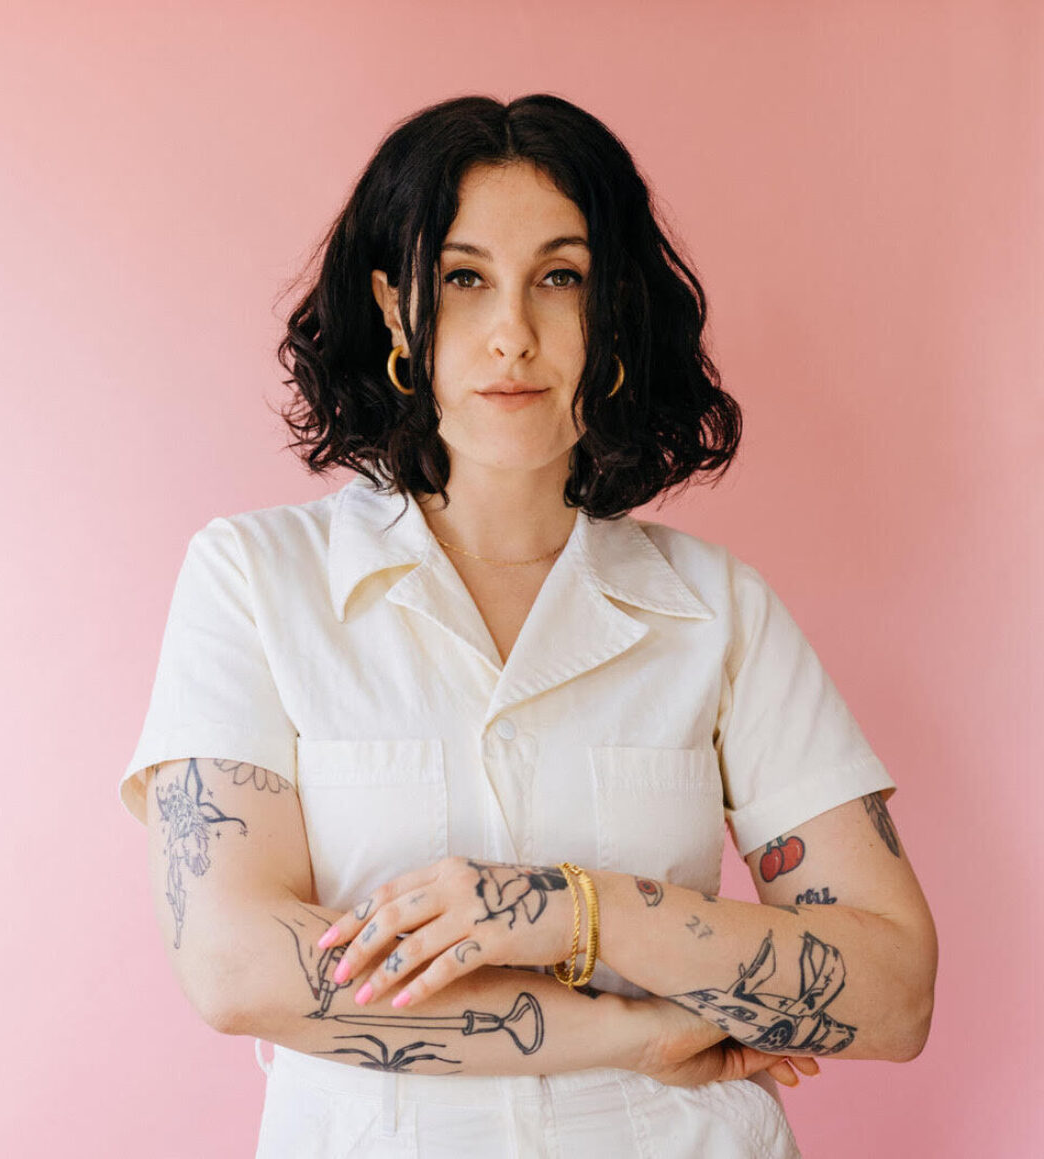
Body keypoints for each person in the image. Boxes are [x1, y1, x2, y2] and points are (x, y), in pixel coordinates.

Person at [119, 93, 937, 1158]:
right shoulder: (256, 580)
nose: (512, 333)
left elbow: (892, 990)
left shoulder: (717, 608)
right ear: (396, 309)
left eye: (561, 276)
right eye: (463, 279)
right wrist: (628, 1029)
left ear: (615, 314)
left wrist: (565, 909)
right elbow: (234, 965)